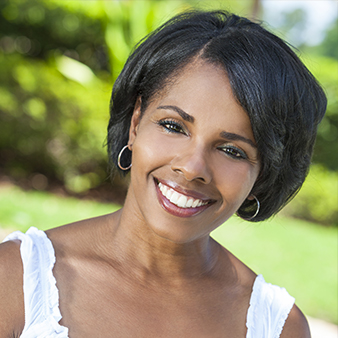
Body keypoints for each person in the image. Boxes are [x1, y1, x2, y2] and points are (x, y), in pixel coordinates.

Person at [0, 10, 326, 338]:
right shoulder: (17, 281)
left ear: (264, 175)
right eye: (173, 126)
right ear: (135, 124)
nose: (192, 167)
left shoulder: (276, 327)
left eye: (232, 150)